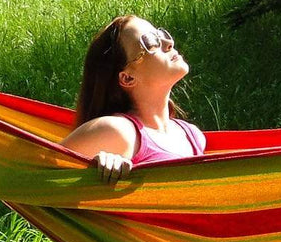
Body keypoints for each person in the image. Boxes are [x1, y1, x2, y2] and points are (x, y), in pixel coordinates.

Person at [59, 15, 206, 184]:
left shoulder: (193, 136)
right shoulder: (117, 132)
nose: (168, 43)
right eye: (151, 42)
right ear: (127, 78)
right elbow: (38, 174)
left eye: (161, 34)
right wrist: (99, 168)